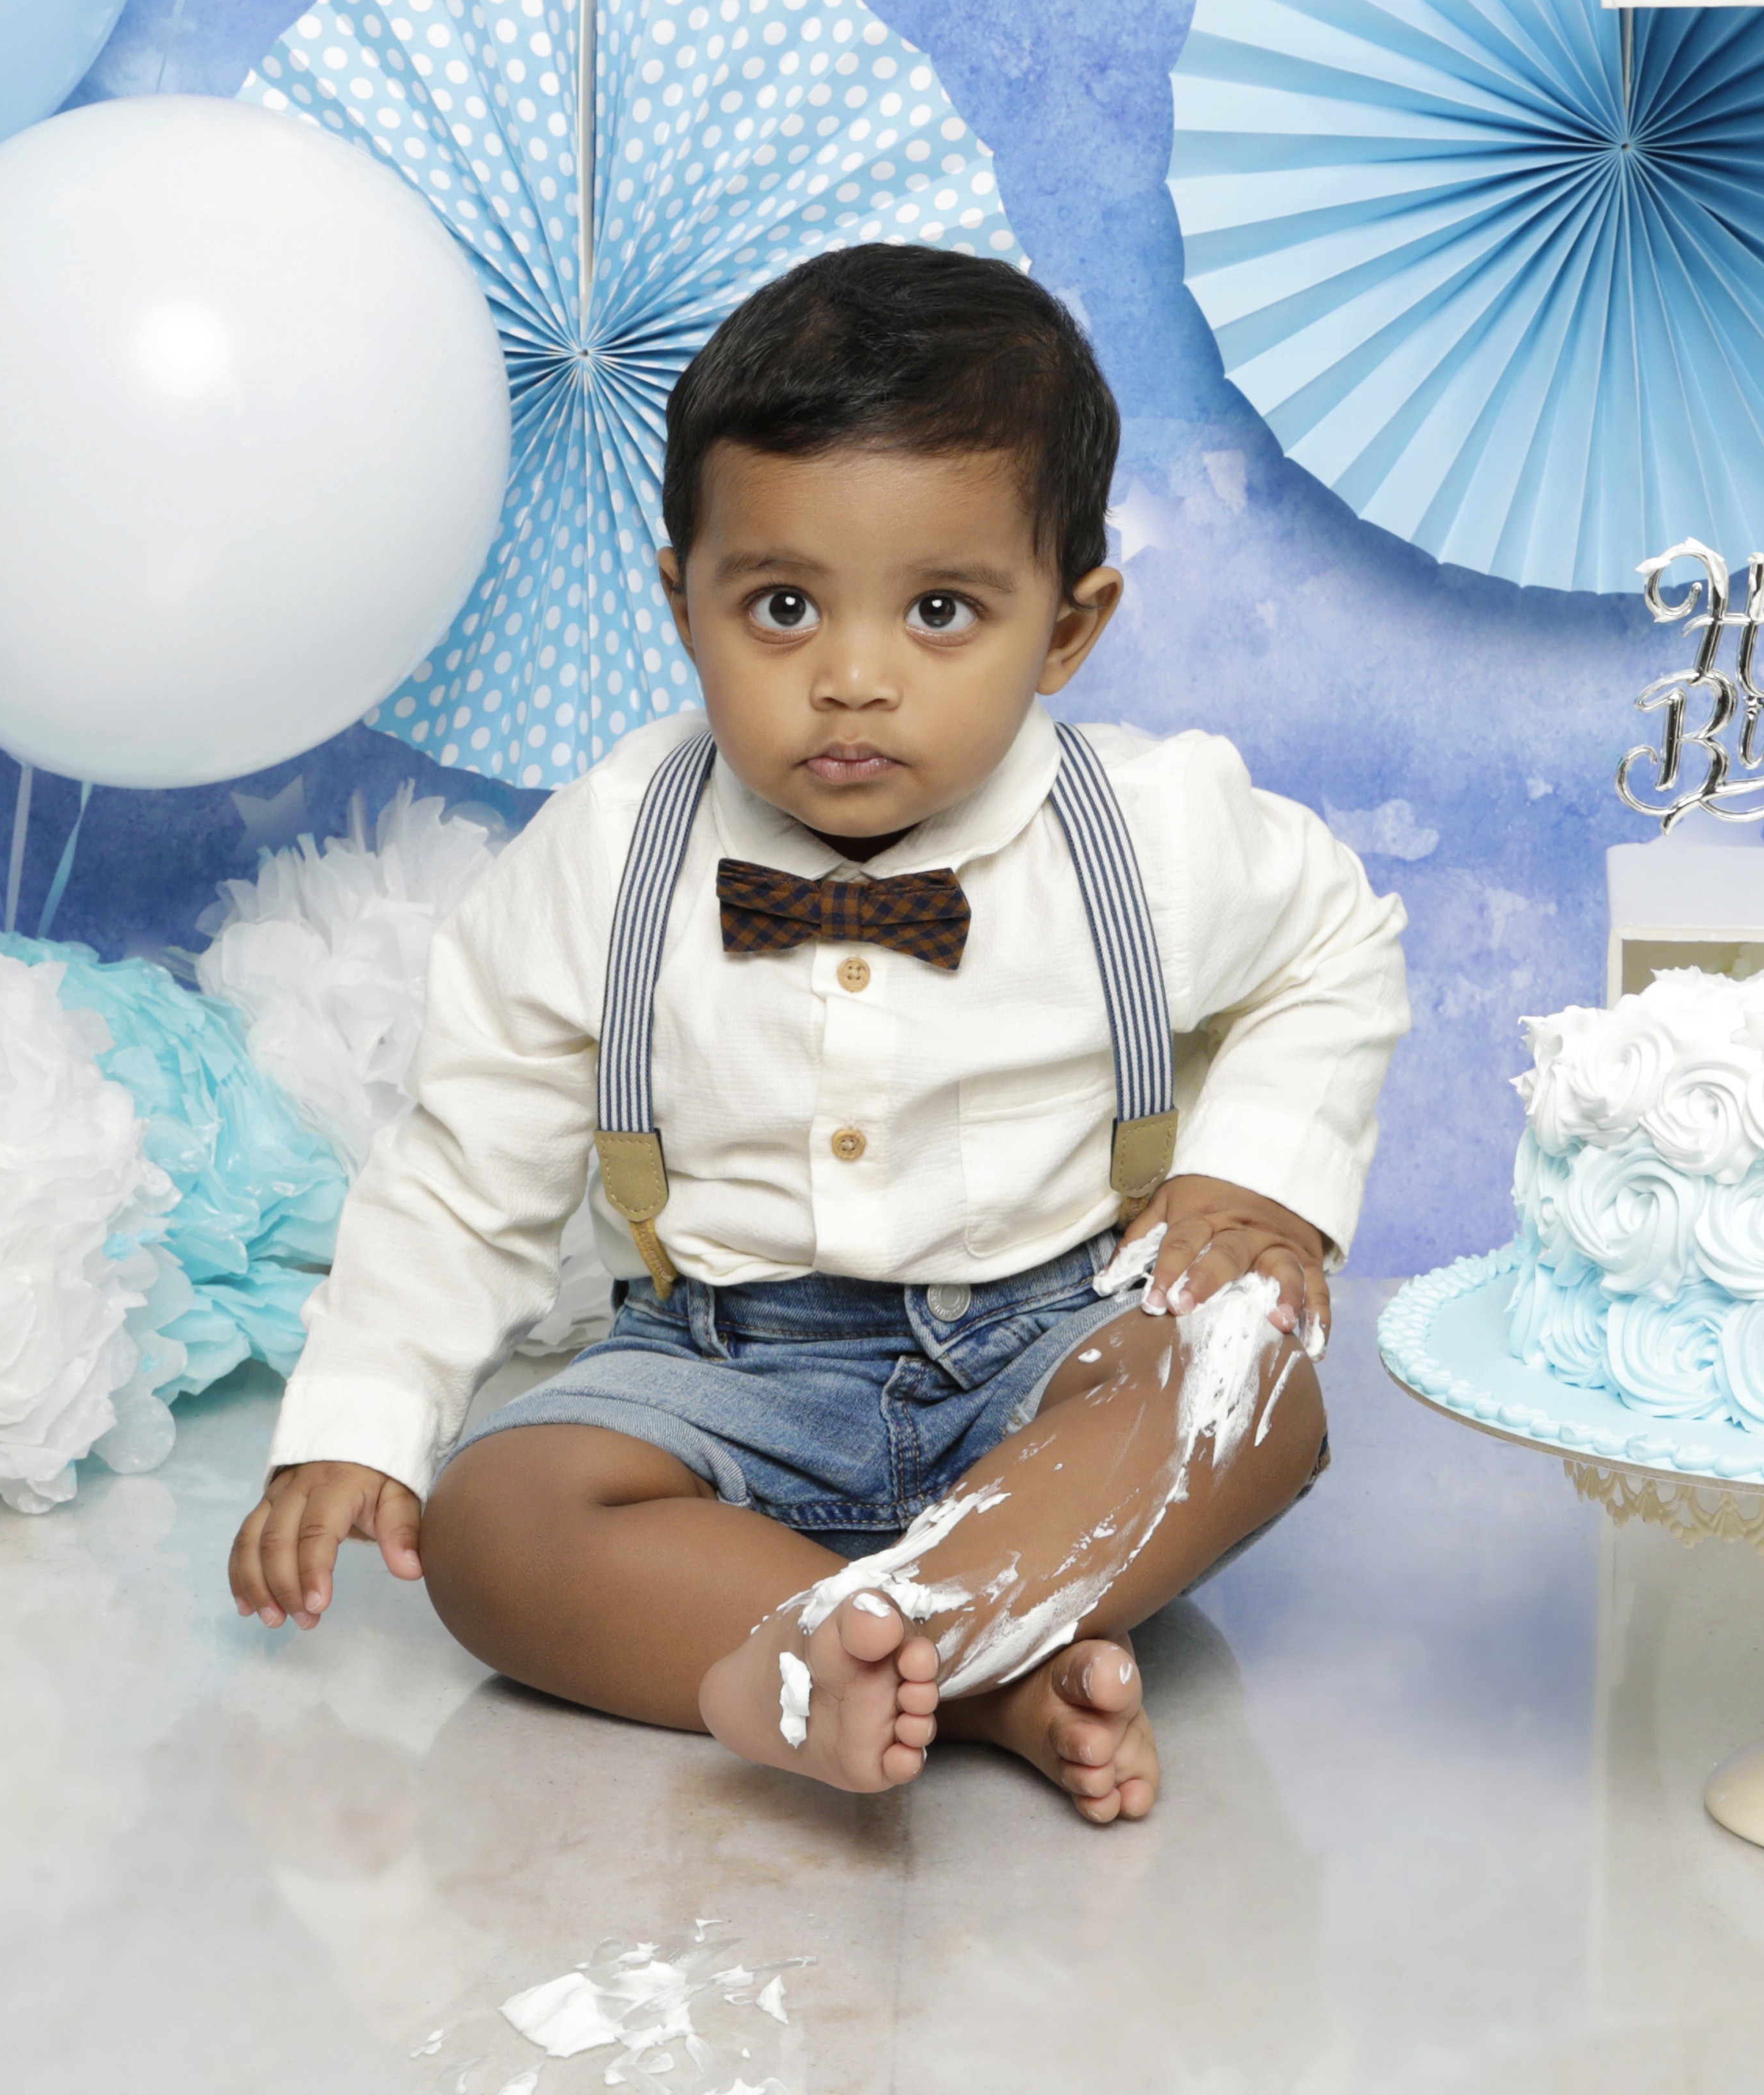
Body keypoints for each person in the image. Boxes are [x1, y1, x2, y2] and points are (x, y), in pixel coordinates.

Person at [228, 244, 1409, 1822]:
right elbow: (466, 1162)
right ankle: (982, 1671)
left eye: (940, 610)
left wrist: (1260, 1177)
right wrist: (361, 1419)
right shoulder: (606, 848)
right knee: (500, 1523)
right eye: (781, 606)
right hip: (722, 1363)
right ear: (681, 601)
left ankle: (868, 1645)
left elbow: (1336, 942)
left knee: (1251, 1381)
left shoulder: (1154, 827)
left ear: (1069, 627)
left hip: (1044, 1344)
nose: (853, 678)